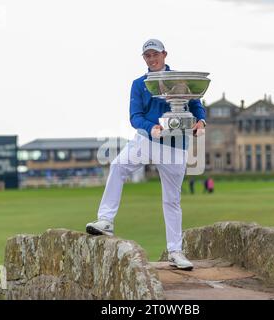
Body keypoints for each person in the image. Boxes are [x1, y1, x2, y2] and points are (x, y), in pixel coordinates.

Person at [85, 39, 207, 270]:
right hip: (146, 139)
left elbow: (196, 105)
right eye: (147, 55)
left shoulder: (181, 80)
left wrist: (201, 120)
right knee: (118, 167)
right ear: (144, 58)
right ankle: (106, 220)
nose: (152, 59)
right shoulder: (138, 84)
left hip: (175, 146)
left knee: (172, 200)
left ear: (165, 54)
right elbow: (135, 116)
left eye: (155, 54)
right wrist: (151, 127)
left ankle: (175, 252)